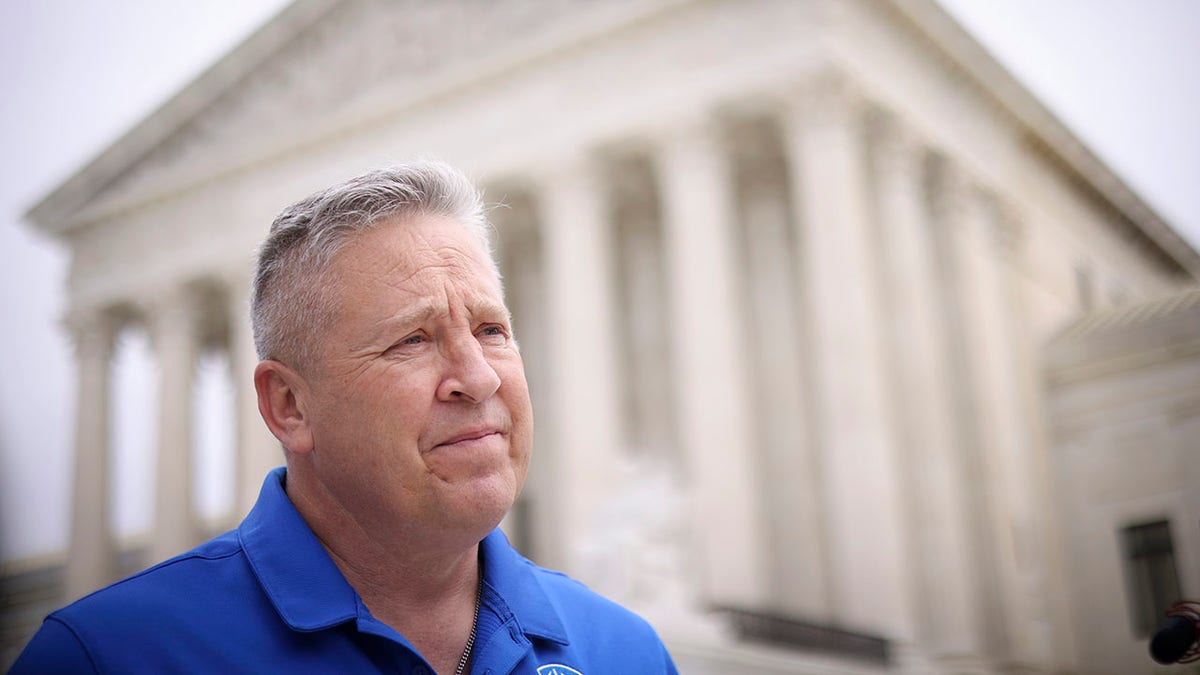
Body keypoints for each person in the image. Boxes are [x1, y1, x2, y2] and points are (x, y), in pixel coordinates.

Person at [14, 161, 678, 674]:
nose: (477, 376)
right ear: (290, 406)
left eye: (491, 329)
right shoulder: (109, 657)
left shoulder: (622, 652)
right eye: (412, 339)